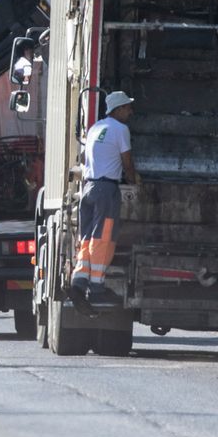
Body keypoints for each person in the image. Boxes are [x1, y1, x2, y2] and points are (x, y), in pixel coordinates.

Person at [70, 90, 139, 314]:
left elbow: (83, 158)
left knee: (87, 237)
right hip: (107, 189)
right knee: (103, 237)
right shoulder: (121, 130)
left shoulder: (95, 128)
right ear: (118, 110)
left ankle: (79, 281)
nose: (130, 111)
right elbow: (126, 160)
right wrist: (134, 181)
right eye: (127, 107)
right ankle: (97, 286)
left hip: (89, 187)